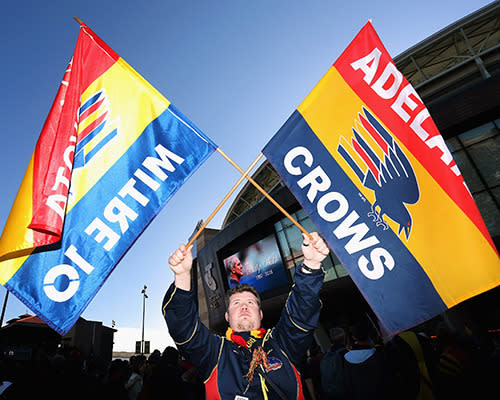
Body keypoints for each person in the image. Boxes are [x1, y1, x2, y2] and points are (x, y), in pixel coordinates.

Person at [163, 232, 329, 400]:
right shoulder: (214, 352)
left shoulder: (282, 343)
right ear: (227, 317)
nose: (243, 306)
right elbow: (183, 328)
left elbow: (301, 314)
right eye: (236, 303)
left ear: (261, 313)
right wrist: (183, 276)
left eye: (250, 302)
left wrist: (312, 264)